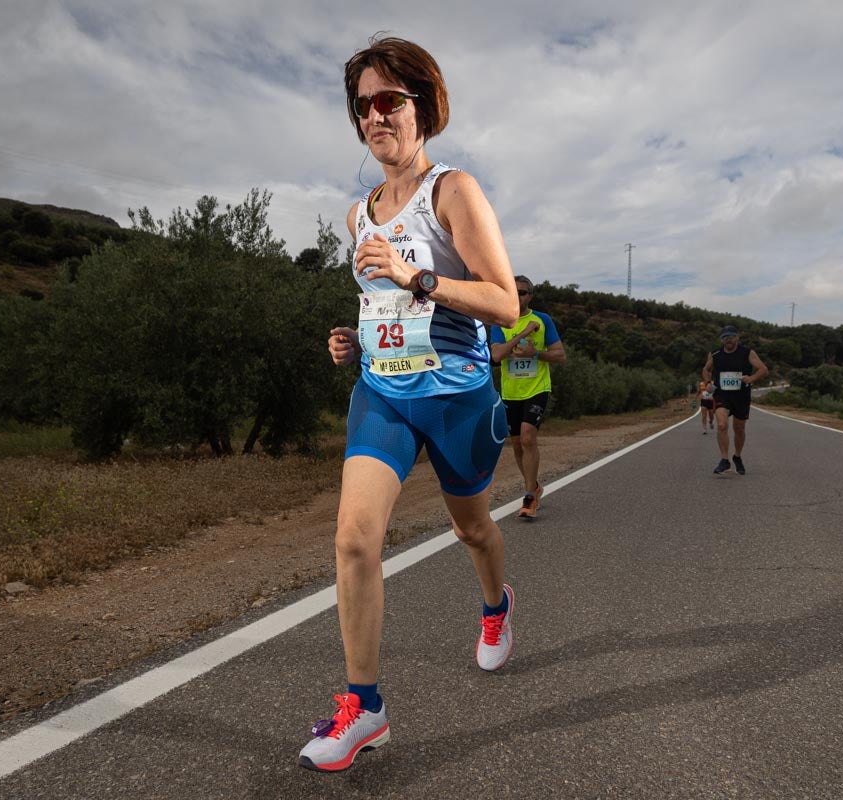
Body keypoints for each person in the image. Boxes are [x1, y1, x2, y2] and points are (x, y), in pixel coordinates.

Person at [299, 36, 521, 773]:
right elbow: (380, 304)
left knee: (474, 530)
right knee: (355, 540)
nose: (375, 117)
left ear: (424, 107)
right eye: (363, 105)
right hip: (385, 394)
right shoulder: (357, 214)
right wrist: (353, 343)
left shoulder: (454, 191)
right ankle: (365, 709)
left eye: (389, 100)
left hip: (457, 398)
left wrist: (416, 276)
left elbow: (504, 304)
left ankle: (496, 605)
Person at [489, 276, 566, 520]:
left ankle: (529, 496)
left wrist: (536, 353)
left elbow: (560, 355)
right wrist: (522, 333)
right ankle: (534, 485)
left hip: (537, 388)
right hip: (511, 393)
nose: (519, 296)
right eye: (514, 292)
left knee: (527, 436)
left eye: (523, 292)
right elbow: (497, 356)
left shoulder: (542, 320)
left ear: (530, 295)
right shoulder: (499, 322)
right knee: (518, 444)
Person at [703, 325, 768, 475]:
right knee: (722, 424)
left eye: (731, 336)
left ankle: (737, 457)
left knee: (739, 429)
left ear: (737, 338)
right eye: (725, 337)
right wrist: (707, 383)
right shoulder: (715, 354)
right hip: (721, 395)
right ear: (722, 340)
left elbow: (763, 369)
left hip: (741, 396)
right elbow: (706, 369)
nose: (729, 340)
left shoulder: (747, 353)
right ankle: (725, 460)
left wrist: (751, 378)